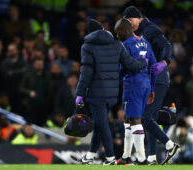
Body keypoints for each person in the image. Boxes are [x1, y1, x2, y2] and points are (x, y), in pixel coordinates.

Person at [75, 19, 147, 165]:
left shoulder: (87, 47)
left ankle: (110, 158)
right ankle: (90, 155)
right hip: (112, 94)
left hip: (95, 93)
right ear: (102, 29)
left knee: (102, 124)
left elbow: (85, 73)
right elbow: (131, 65)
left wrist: (80, 93)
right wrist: (144, 62)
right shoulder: (116, 44)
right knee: (99, 123)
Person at [122, 6, 180, 164]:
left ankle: (170, 145)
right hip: (148, 79)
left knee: (145, 118)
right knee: (150, 118)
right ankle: (152, 157)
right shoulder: (136, 34)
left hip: (158, 77)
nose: (129, 23)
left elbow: (167, 45)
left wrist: (165, 62)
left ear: (138, 18)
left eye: (130, 20)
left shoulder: (150, 28)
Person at [114, 18, 157, 165]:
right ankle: (126, 155)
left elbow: (122, 68)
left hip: (132, 84)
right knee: (128, 118)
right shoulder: (145, 42)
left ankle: (141, 159)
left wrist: (114, 82)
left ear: (123, 31)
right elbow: (153, 66)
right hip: (145, 84)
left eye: (117, 32)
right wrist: (152, 88)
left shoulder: (125, 45)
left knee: (135, 120)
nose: (117, 36)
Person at [20, 58, 51, 126]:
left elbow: (50, 90)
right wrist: (29, 92)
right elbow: (21, 88)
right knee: (30, 124)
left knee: (42, 125)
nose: (40, 66)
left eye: (41, 64)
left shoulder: (46, 76)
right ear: (34, 65)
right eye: (38, 64)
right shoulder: (28, 75)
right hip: (31, 105)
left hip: (43, 106)